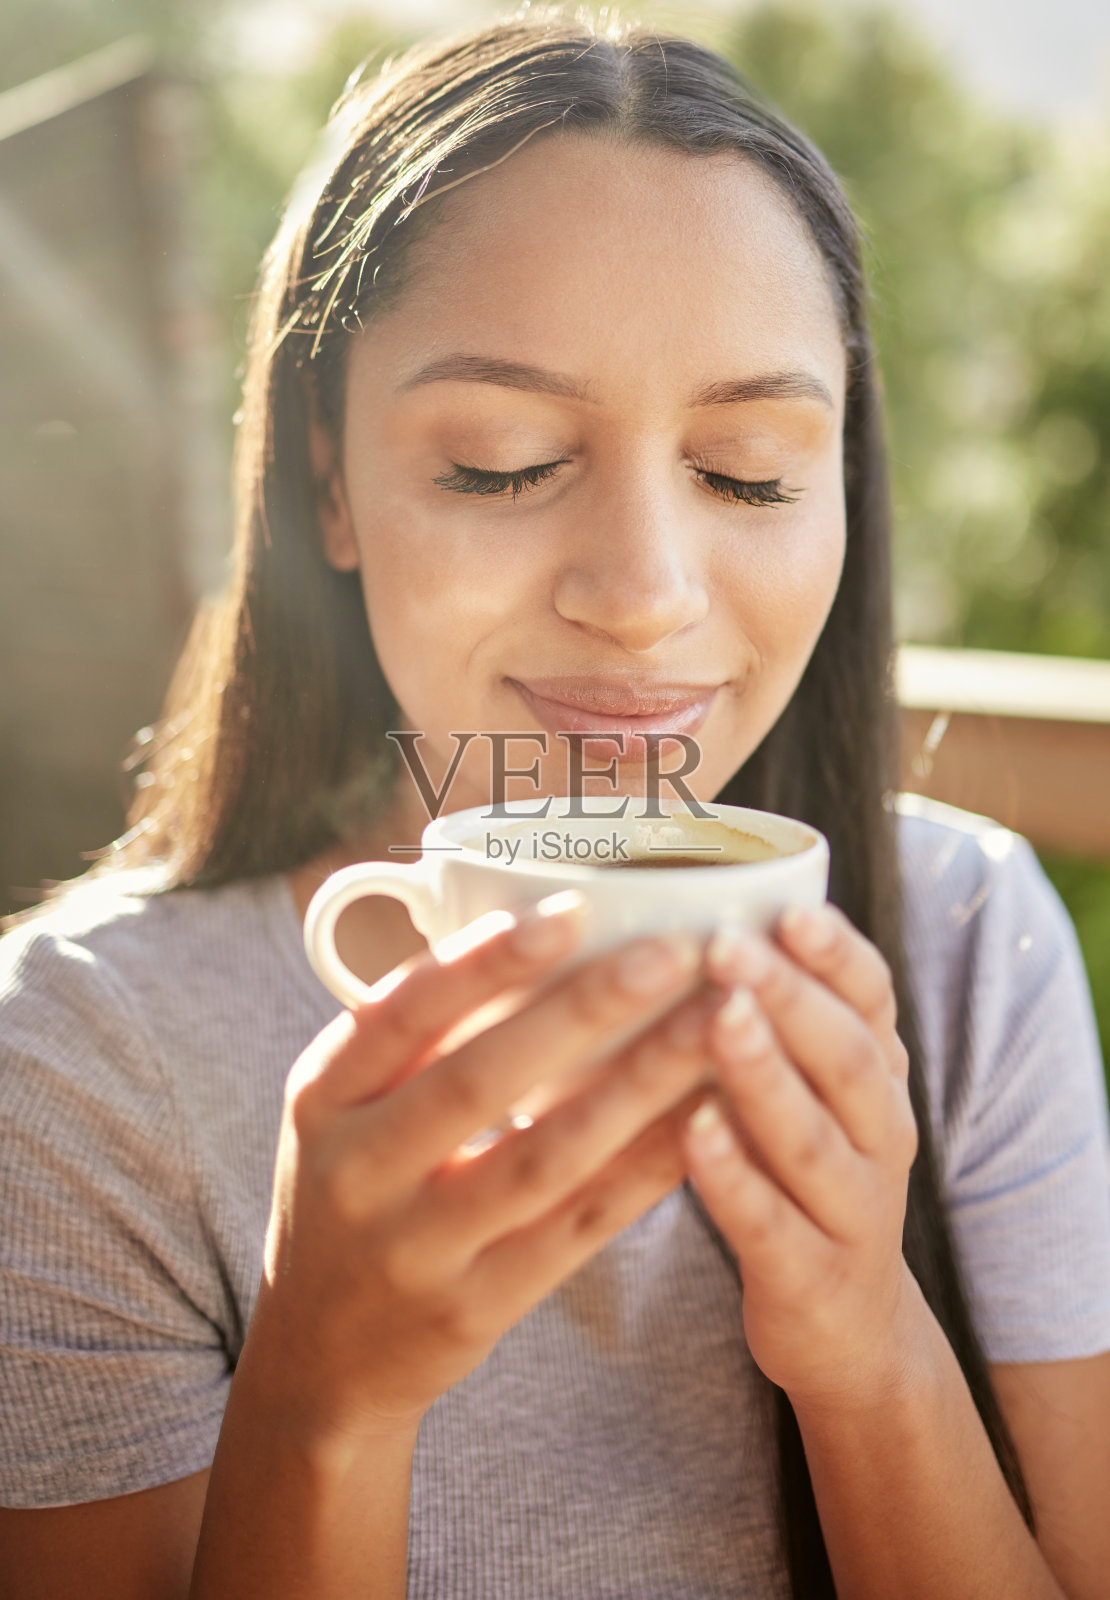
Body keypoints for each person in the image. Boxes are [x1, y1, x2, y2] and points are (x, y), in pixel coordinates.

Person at [1, 9, 1109, 1597]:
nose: (644, 597)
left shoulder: (962, 942)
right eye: (504, 462)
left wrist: (870, 1351)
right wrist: (322, 1404)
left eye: (746, 470)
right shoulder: (81, 1061)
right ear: (329, 480)